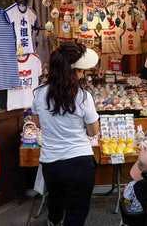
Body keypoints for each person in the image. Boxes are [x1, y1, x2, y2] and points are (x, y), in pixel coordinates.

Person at [32, 42, 100, 226]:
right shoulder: (84, 97)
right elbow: (93, 131)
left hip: (51, 162)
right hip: (80, 161)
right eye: (80, 70)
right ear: (71, 71)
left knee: (55, 202)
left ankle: (53, 221)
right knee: (77, 213)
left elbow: (38, 124)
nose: (82, 74)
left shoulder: (39, 94)